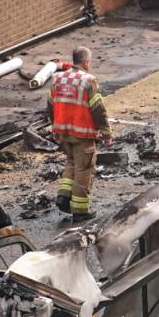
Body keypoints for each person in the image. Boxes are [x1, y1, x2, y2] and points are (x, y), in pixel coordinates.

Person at [48, 47, 111, 222]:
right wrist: (106, 132)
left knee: (72, 162)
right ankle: (80, 211)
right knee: (84, 170)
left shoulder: (57, 79)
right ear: (86, 62)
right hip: (82, 135)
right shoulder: (88, 81)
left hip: (63, 133)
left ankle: (63, 196)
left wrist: (56, 128)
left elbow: (50, 106)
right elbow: (98, 109)